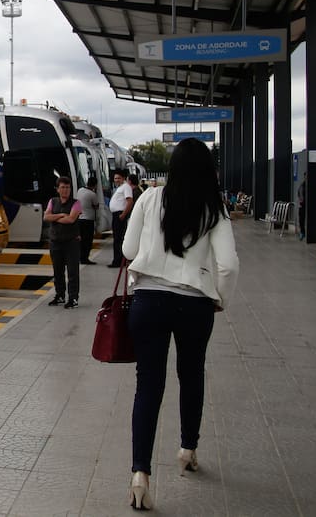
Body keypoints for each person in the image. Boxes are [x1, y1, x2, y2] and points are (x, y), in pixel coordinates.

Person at [121, 137, 238, 511]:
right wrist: (219, 299)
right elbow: (228, 265)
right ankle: (188, 449)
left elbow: (128, 250)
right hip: (195, 304)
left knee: (148, 386)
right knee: (192, 375)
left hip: (149, 301)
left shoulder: (149, 197)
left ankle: (140, 474)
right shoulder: (214, 208)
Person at [44, 176, 82, 308]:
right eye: (63, 187)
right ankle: (60, 295)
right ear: (57, 189)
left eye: (68, 187)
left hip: (71, 242)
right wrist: (61, 215)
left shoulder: (76, 203)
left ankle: (73, 298)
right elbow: (46, 217)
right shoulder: (52, 201)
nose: (66, 190)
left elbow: (71, 219)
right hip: (55, 242)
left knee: (72, 271)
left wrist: (54, 217)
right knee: (57, 271)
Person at [108, 169, 134, 268]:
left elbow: (130, 201)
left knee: (118, 239)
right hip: (116, 215)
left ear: (123, 178)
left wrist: (123, 214)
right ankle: (117, 260)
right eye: (115, 178)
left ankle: (118, 261)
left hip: (119, 215)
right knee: (117, 238)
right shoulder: (120, 188)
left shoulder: (126, 187)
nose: (116, 180)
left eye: (118, 178)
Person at [75, 176, 101, 265]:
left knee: (81, 240)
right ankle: (85, 258)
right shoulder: (92, 194)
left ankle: (80, 257)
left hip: (79, 219)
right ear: (95, 185)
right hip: (88, 220)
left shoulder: (80, 190)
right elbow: (96, 206)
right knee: (88, 240)